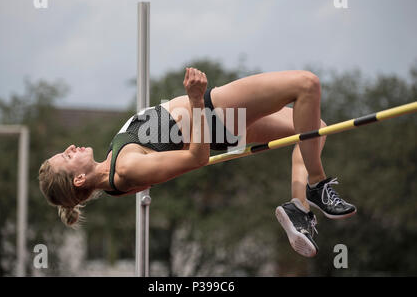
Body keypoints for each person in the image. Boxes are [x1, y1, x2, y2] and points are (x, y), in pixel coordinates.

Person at [39, 67, 356, 257]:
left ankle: (298, 208)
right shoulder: (125, 169)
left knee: (313, 128)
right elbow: (196, 158)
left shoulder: (113, 174)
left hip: (215, 122)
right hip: (214, 112)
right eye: (66, 157)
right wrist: (194, 100)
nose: (70, 148)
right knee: (306, 85)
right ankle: (316, 185)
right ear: (78, 181)